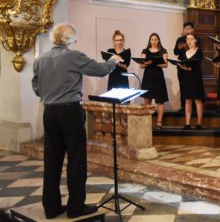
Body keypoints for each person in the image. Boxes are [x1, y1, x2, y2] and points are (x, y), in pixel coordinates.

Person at [32, 23, 120, 219]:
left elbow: (36, 86)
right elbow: (99, 70)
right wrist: (113, 60)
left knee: (52, 161)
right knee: (76, 160)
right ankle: (75, 207)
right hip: (70, 112)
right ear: (69, 39)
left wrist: (49, 93)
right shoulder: (73, 56)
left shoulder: (41, 59)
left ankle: (51, 207)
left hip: (50, 112)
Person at [139, 33, 169, 129]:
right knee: (147, 100)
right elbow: (141, 65)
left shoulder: (163, 51)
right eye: (152, 39)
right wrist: (147, 63)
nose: (154, 41)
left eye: (156, 39)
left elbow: (165, 65)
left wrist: (156, 63)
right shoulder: (145, 51)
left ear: (158, 40)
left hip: (158, 77)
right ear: (150, 41)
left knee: (160, 101)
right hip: (148, 77)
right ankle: (146, 121)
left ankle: (159, 122)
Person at [178, 34, 205, 130]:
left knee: (197, 99)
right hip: (186, 77)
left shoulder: (199, 51)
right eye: (187, 39)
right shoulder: (183, 52)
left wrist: (188, 67)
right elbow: (179, 63)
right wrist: (181, 66)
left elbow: (197, 65)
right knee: (187, 100)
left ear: (195, 40)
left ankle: (199, 123)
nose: (189, 41)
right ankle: (187, 123)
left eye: (191, 39)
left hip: (195, 77)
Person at [174, 22, 195, 110]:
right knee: (182, 86)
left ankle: (193, 107)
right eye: (185, 29)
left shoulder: (196, 39)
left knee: (192, 86)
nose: (187, 30)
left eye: (189, 28)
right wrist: (179, 48)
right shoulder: (180, 39)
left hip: (191, 67)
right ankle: (183, 106)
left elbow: (197, 51)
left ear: (192, 30)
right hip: (181, 67)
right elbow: (175, 52)